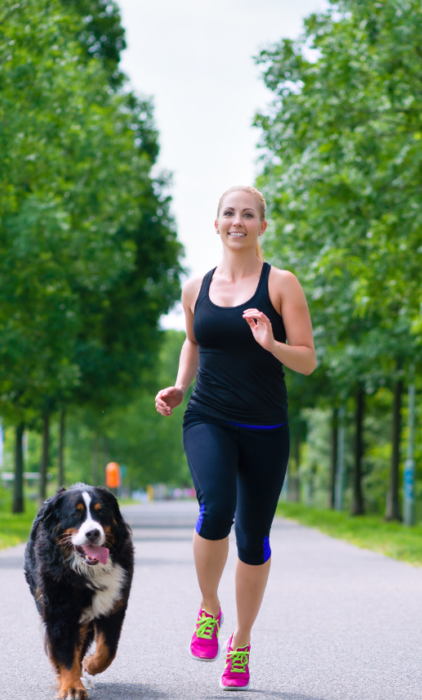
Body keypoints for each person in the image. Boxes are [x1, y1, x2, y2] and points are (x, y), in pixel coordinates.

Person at [155, 185, 316, 691]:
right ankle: (209, 607)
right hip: (209, 417)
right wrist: (181, 386)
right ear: (217, 223)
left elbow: (308, 359)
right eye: (229, 213)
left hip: (266, 426)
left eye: (249, 214)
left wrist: (272, 343)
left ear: (262, 226)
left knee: (252, 539)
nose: (238, 221)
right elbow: (193, 341)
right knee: (215, 509)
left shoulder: (282, 284)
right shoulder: (194, 288)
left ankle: (241, 641)